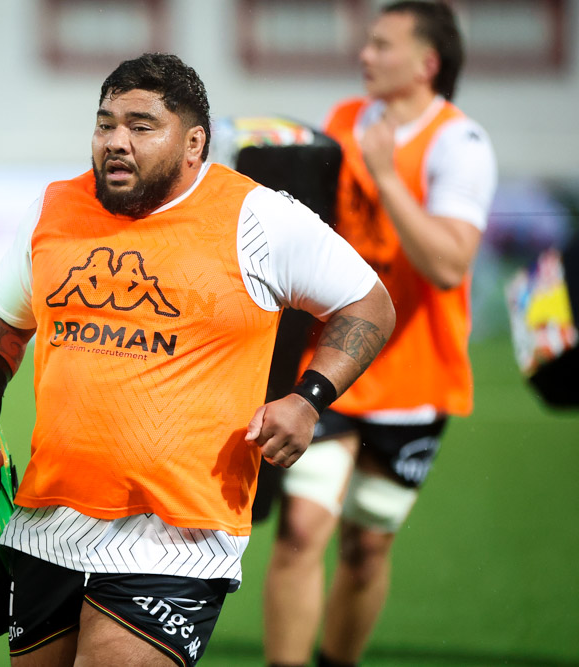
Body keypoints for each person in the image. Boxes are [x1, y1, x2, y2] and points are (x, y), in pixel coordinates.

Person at [0, 52, 395, 667]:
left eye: (140, 125)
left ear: (193, 142)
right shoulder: (55, 208)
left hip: (176, 538)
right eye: (105, 124)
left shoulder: (256, 218)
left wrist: (307, 398)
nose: (116, 142)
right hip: (48, 519)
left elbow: (369, 304)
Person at [262, 3, 498, 666]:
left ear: (427, 63)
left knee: (367, 549)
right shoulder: (344, 121)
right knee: (302, 530)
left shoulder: (460, 145)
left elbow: (449, 263)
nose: (365, 55)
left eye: (382, 45)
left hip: (416, 381)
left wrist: (388, 175)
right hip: (337, 363)